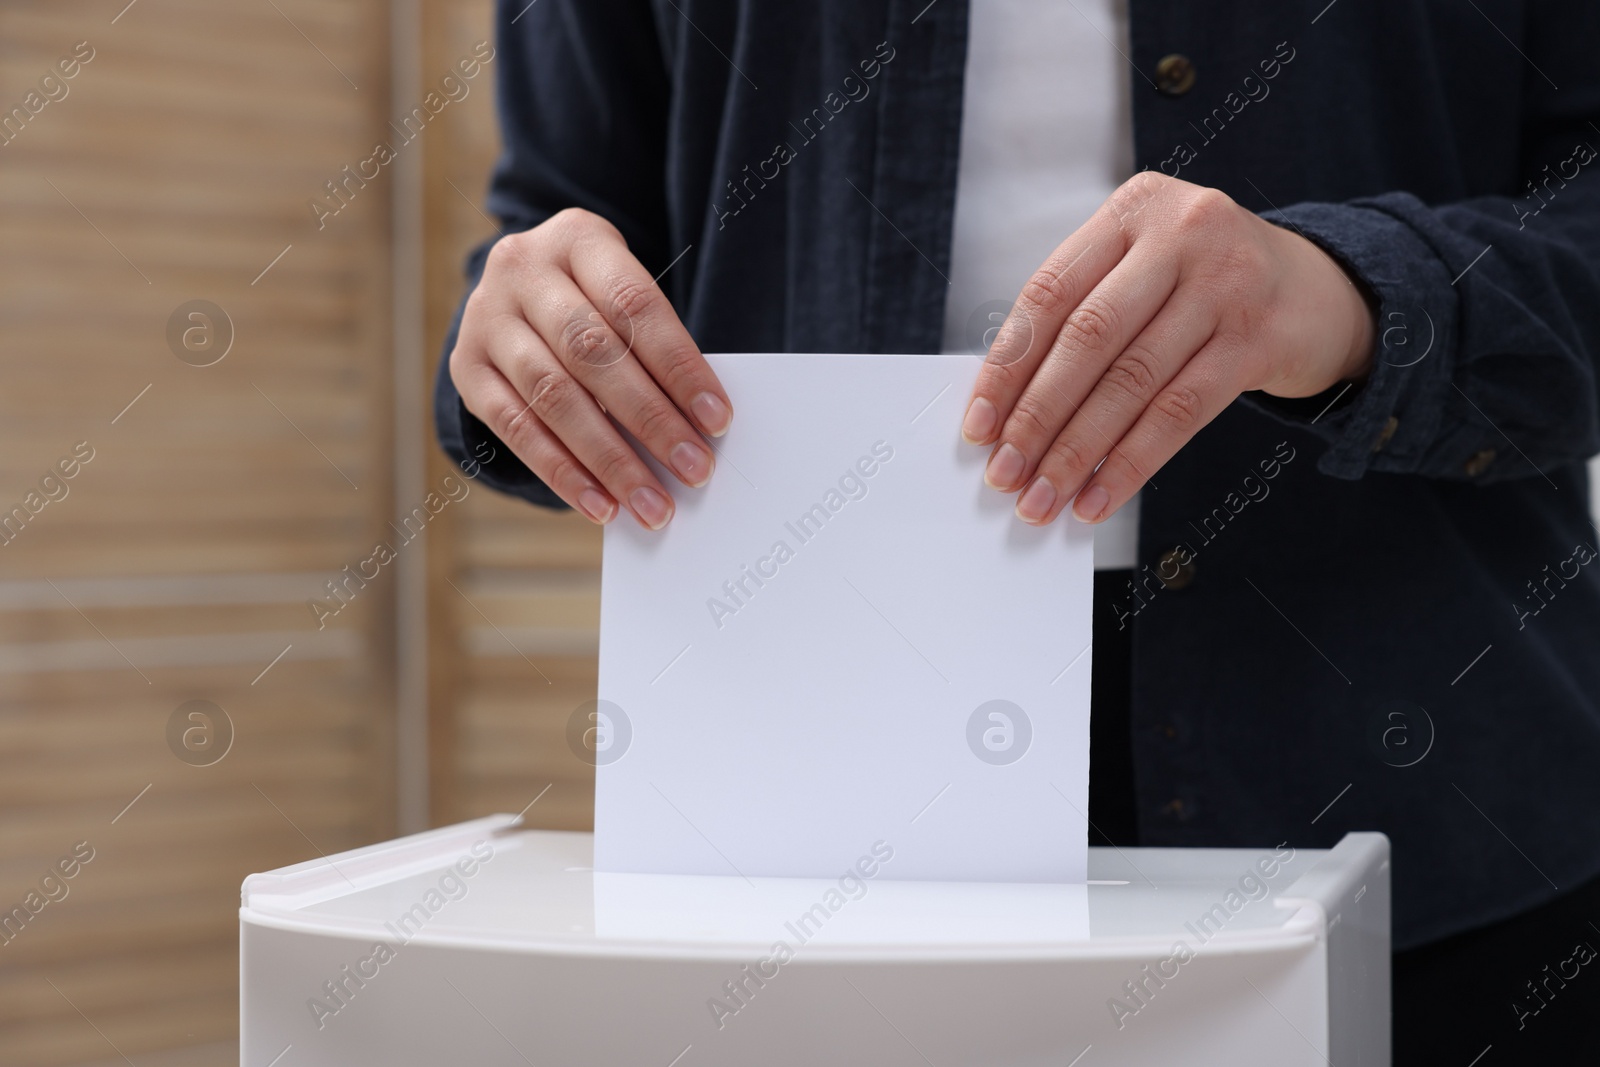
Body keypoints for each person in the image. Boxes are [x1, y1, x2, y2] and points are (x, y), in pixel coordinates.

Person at [435, 1, 1600, 1058]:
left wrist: (1350, 298)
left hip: (1431, 790)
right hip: (805, 805)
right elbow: (555, 222)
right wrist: (526, 342)